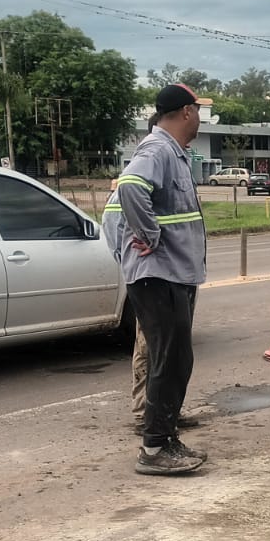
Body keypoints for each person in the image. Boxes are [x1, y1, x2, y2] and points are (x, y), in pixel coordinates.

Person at [103, 84, 209, 476]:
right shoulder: (158, 149)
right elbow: (131, 187)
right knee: (168, 358)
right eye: (198, 110)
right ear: (184, 112)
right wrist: (149, 236)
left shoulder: (173, 153)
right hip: (157, 274)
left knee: (177, 358)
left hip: (172, 273)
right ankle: (153, 450)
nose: (200, 117)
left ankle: (165, 439)